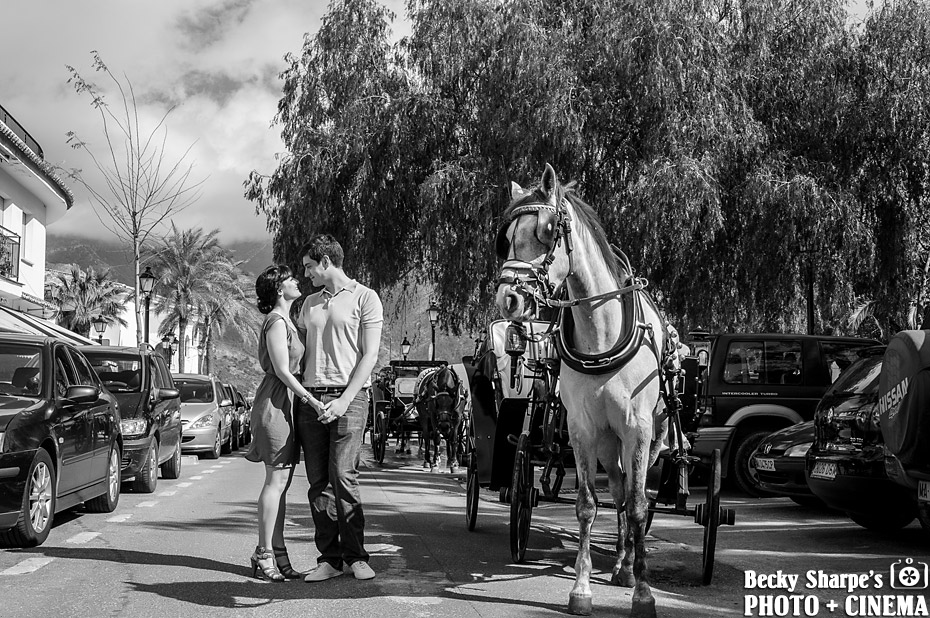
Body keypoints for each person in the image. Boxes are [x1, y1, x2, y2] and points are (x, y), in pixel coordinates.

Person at [295, 234, 383, 583]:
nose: (306, 275)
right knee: (318, 483)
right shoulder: (309, 303)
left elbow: (370, 355)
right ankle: (329, 559)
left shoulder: (366, 297)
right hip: (311, 400)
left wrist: (345, 399)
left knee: (343, 476)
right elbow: (297, 353)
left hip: (350, 399)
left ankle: (356, 556)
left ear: (326, 262)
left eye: (309, 267)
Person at [245, 265, 324, 581]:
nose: (297, 281)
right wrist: (311, 399)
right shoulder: (276, 322)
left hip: (286, 406)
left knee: (282, 484)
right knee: (275, 482)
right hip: (277, 405)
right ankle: (264, 555)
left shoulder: (288, 321)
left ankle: (275, 553)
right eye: (291, 279)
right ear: (279, 289)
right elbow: (281, 369)